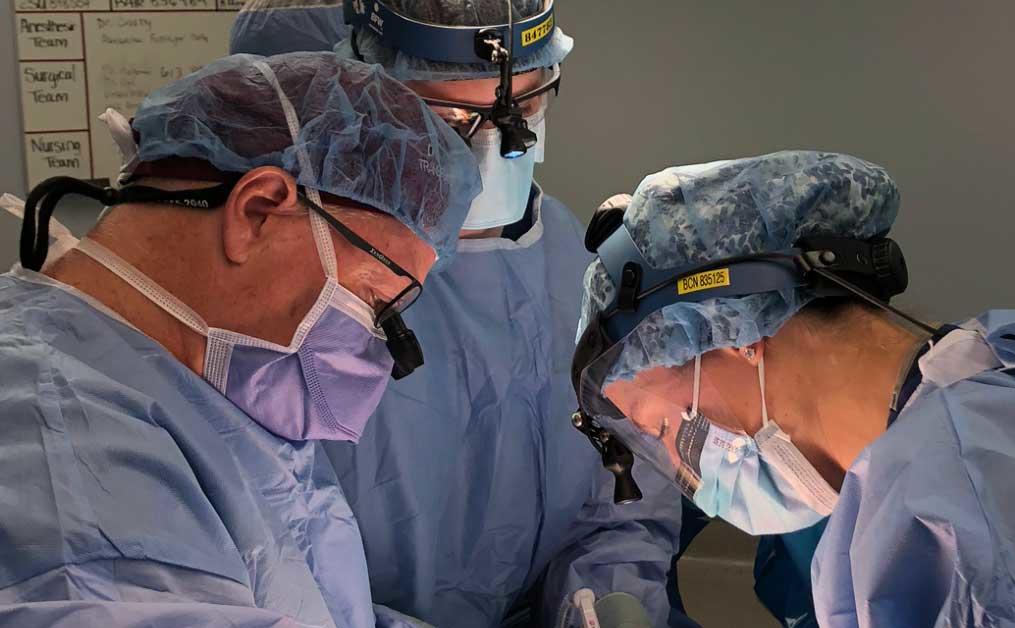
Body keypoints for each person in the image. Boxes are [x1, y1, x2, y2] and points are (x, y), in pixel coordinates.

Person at [571, 150, 1015, 627]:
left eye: (661, 428)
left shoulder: (974, 505)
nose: (685, 468)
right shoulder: (1000, 375)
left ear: (733, 331)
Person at [230, 2, 683, 627]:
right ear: (361, 94)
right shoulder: (294, 284)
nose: (497, 149)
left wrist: (605, 596)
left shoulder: (566, 260)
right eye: (447, 119)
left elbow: (621, 490)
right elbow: (259, 548)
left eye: (523, 108)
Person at [0, 51, 481, 627]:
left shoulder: (188, 385)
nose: (382, 344)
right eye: (378, 300)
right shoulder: (62, 437)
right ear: (257, 211)